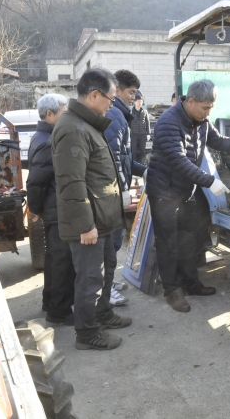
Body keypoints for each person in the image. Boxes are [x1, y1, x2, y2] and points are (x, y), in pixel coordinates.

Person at [146, 79, 230, 312]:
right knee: (167, 242)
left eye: (211, 108)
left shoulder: (202, 121)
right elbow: (178, 160)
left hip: (187, 189)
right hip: (165, 191)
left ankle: (190, 282)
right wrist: (210, 181)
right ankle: (172, 289)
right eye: (205, 108)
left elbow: (219, 142)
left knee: (190, 238)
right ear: (190, 101)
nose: (209, 112)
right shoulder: (169, 122)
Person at [52, 67, 132, 350]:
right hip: (89, 224)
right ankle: (86, 334)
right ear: (94, 95)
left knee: (106, 269)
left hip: (103, 219)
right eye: (111, 99)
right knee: (90, 280)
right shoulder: (73, 128)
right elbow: (71, 183)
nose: (112, 105)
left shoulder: (87, 124)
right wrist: (85, 226)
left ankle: (102, 313)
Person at [26, 94, 76, 325]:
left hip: (53, 208)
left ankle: (51, 303)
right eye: (63, 113)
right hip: (56, 210)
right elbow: (36, 181)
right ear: (50, 115)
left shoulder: (44, 136)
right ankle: (59, 312)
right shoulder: (47, 141)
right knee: (62, 262)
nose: (67, 117)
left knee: (54, 259)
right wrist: (34, 209)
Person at [104, 69, 147, 306]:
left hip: (117, 187)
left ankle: (108, 282)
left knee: (114, 241)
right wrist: (121, 191)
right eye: (131, 92)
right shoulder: (115, 117)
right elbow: (113, 160)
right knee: (111, 242)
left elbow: (125, 158)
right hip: (112, 191)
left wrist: (142, 170)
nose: (134, 96)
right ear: (117, 90)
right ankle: (105, 289)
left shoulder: (120, 115)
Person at [130, 93, 150, 165]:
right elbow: (128, 123)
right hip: (134, 134)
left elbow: (147, 122)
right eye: (138, 101)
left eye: (141, 101)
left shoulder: (144, 111)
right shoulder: (131, 112)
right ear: (135, 102)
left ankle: (142, 166)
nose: (140, 103)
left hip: (142, 134)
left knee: (143, 151)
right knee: (133, 151)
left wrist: (148, 134)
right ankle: (134, 166)